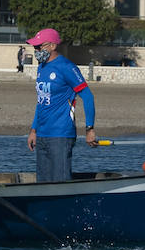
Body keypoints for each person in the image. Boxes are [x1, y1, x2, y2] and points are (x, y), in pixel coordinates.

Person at [25, 28, 97, 182]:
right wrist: (33, 130)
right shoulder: (42, 67)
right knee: (42, 184)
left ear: (52, 46)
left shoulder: (66, 67)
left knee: (60, 181)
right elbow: (42, 101)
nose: (36, 50)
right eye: (34, 47)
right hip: (42, 134)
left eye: (39, 47)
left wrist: (89, 128)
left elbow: (88, 97)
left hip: (61, 135)